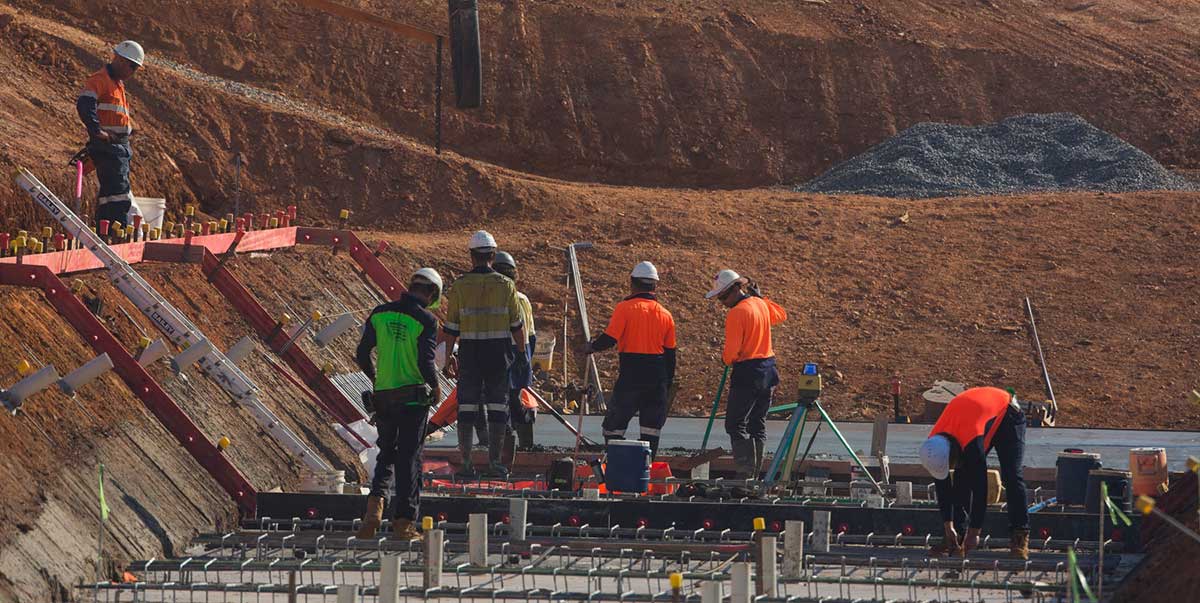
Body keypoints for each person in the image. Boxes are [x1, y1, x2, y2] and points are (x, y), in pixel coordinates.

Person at [354, 268, 443, 540]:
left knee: (386, 454)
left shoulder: (380, 313)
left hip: (383, 397)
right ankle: (404, 523)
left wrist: (376, 378)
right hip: (412, 398)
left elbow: (361, 352)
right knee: (408, 459)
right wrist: (436, 387)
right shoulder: (426, 319)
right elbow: (425, 362)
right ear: (431, 293)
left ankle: (372, 516)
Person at [441, 231, 529, 477]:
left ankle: (467, 464)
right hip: (498, 355)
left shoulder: (459, 286)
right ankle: (494, 464)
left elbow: (451, 329)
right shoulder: (506, 285)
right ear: (493, 254)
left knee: (466, 409)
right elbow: (517, 325)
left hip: (469, 354)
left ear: (471, 256)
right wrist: (521, 353)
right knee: (498, 409)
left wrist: (447, 359)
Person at [918, 386, 1030, 559]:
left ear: (954, 452)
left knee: (1012, 475)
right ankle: (956, 536)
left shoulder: (971, 441)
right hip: (976, 416)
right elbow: (944, 487)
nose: (952, 466)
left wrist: (975, 531)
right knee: (961, 477)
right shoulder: (934, 445)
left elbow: (980, 488)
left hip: (1008, 413)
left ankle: (1019, 535)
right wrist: (949, 527)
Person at [587, 261, 676, 458]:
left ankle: (615, 463)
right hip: (658, 375)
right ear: (654, 286)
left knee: (614, 426)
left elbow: (610, 338)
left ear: (633, 283)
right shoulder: (666, 315)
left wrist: (592, 347)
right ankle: (647, 469)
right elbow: (671, 353)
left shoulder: (625, 308)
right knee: (651, 429)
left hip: (632, 374)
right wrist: (667, 383)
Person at [705, 269, 786, 479]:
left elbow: (732, 353)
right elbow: (781, 315)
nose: (722, 302)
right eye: (719, 298)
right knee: (757, 423)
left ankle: (745, 473)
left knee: (734, 423)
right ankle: (755, 475)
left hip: (748, 372)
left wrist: (725, 360)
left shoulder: (737, 313)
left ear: (736, 289)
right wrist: (761, 297)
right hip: (768, 371)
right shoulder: (760, 305)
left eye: (723, 296)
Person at [77, 41, 144, 228]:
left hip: (118, 146)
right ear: (122, 61)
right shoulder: (101, 79)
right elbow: (84, 104)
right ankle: (115, 232)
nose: (133, 72)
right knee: (118, 194)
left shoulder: (117, 84)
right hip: (110, 148)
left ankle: (106, 231)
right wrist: (97, 131)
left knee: (110, 194)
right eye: (133, 67)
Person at [493, 251, 538, 455]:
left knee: (502, 399)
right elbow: (531, 335)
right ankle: (521, 434)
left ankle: (509, 438)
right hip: (521, 352)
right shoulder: (523, 299)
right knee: (511, 397)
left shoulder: (495, 299)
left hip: (502, 352)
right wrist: (526, 357)